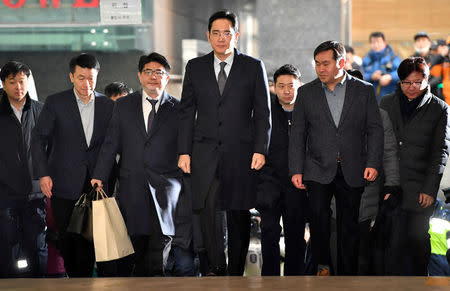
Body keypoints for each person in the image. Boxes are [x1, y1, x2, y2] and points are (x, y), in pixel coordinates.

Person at [178, 9, 271, 276]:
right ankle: (217, 269)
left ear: (236, 35)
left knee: (238, 214)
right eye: (216, 33)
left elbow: (263, 112)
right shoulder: (195, 67)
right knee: (208, 213)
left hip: (241, 154)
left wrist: (260, 149)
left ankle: (236, 273)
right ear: (208, 36)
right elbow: (186, 111)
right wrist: (184, 151)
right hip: (204, 152)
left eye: (227, 33)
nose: (221, 38)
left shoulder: (253, 66)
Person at [91, 52, 191, 277]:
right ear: (139, 76)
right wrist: (99, 174)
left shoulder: (179, 109)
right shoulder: (124, 105)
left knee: (160, 250)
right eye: (148, 72)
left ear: (167, 78)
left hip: (165, 188)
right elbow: (111, 142)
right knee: (135, 249)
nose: (153, 77)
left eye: (159, 72)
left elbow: (186, 147)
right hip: (132, 186)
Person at [289, 40, 384, 276]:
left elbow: (374, 129)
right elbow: (298, 134)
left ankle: (347, 275)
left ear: (341, 62)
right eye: (317, 64)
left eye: (326, 63)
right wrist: (296, 169)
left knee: (348, 225)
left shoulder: (364, 90)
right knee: (319, 218)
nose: (320, 69)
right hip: (316, 168)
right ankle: (323, 268)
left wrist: (372, 163)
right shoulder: (306, 92)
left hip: (353, 169)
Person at [31, 53, 114, 277]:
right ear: (71, 77)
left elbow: (111, 144)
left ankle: (84, 281)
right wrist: (43, 174)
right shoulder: (56, 103)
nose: (86, 84)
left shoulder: (107, 105)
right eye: (81, 78)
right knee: (67, 240)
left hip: (96, 184)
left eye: (91, 78)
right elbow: (38, 139)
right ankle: (74, 279)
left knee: (91, 241)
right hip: (63, 184)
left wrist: (103, 173)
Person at [379, 56, 450, 276]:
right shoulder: (386, 103)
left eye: (418, 82)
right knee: (390, 245)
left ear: (427, 81)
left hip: (420, 188)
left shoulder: (439, 109)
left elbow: (440, 152)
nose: (412, 87)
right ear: (399, 82)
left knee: (417, 243)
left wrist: (430, 189)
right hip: (390, 184)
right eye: (406, 82)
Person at [256, 64, 306, 276]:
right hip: (270, 182)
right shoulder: (264, 111)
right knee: (269, 234)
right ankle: (270, 282)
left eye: (291, 86)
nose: (287, 90)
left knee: (296, 236)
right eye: (281, 86)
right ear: (273, 87)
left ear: (299, 86)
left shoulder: (307, 110)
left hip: (297, 184)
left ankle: (295, 281)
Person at [0, 61, 47, 278]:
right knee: (7, 246)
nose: (18, 87)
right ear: (3, 84)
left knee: (37, 246)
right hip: (4, 193)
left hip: (35, 193)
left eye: (22, 81)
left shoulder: (41, 110)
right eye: (12, 82)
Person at [362, 32, 402, 101]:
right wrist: (371, 76)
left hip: (391, 99)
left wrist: (390, 77)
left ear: (384, 43)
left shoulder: (394, 58)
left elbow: (402, 73)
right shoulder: (366, 60)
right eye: (373, 42)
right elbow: (360, 76)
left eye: (378, 42)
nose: (376, 45)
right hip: (371, 101)